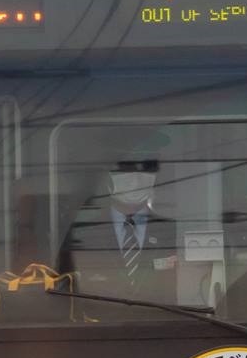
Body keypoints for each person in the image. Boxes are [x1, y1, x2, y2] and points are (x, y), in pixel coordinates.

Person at [58, 126, 181, 315]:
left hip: (164, 334)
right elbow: (64, 293)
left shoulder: (170, 231)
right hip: (96, 335)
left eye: (147, 167)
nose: (136, 178)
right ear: (107, 173)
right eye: (126, 168)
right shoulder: (81, 234)